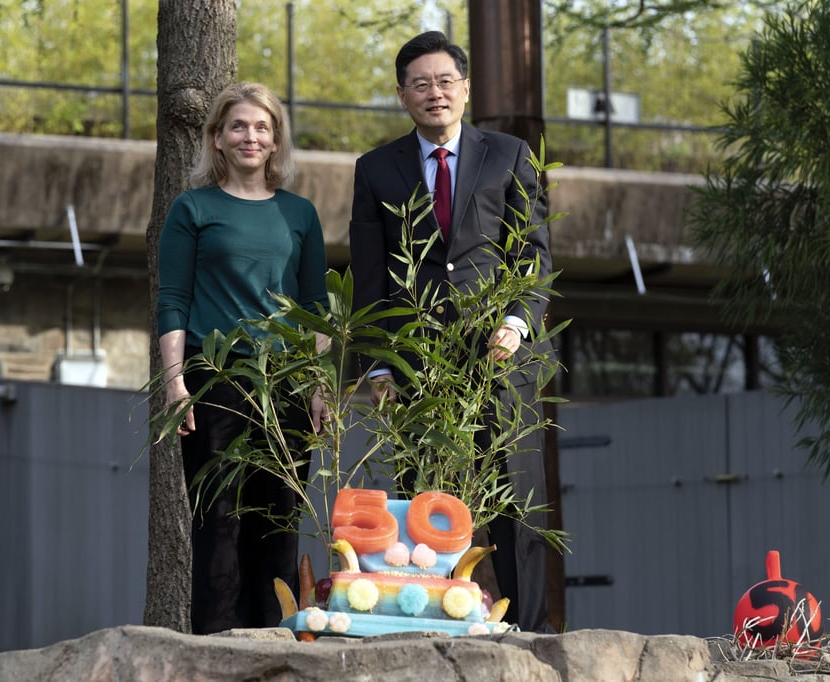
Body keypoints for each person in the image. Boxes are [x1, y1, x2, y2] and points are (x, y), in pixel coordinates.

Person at [349, 31, 553, 633]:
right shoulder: (374, 169)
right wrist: (379, 365)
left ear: (465, 89)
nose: (434, 93)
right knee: (423, 502)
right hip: (417, 367)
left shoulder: (511, 155)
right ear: (402, 95)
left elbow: (534, 256)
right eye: (420, 84)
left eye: (445, 81)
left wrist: (516, 324)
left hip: (499, 357)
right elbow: (369, 278)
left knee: (515, 497)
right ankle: (426, 626)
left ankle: (533, 637)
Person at [156, 81, 329, 634]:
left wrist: (319, 385)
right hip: (217, 382)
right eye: (238, 126)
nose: (250, 136)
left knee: (279, 522)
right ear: (217, 138)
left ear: (276, 140)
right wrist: (175, 383)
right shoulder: (194, 208)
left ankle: (277, 645)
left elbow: (315, 306)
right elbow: (173, 300)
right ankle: (215, 650)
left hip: (287, 386)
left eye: (262, 127)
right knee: (219, 521)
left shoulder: (299, 214)